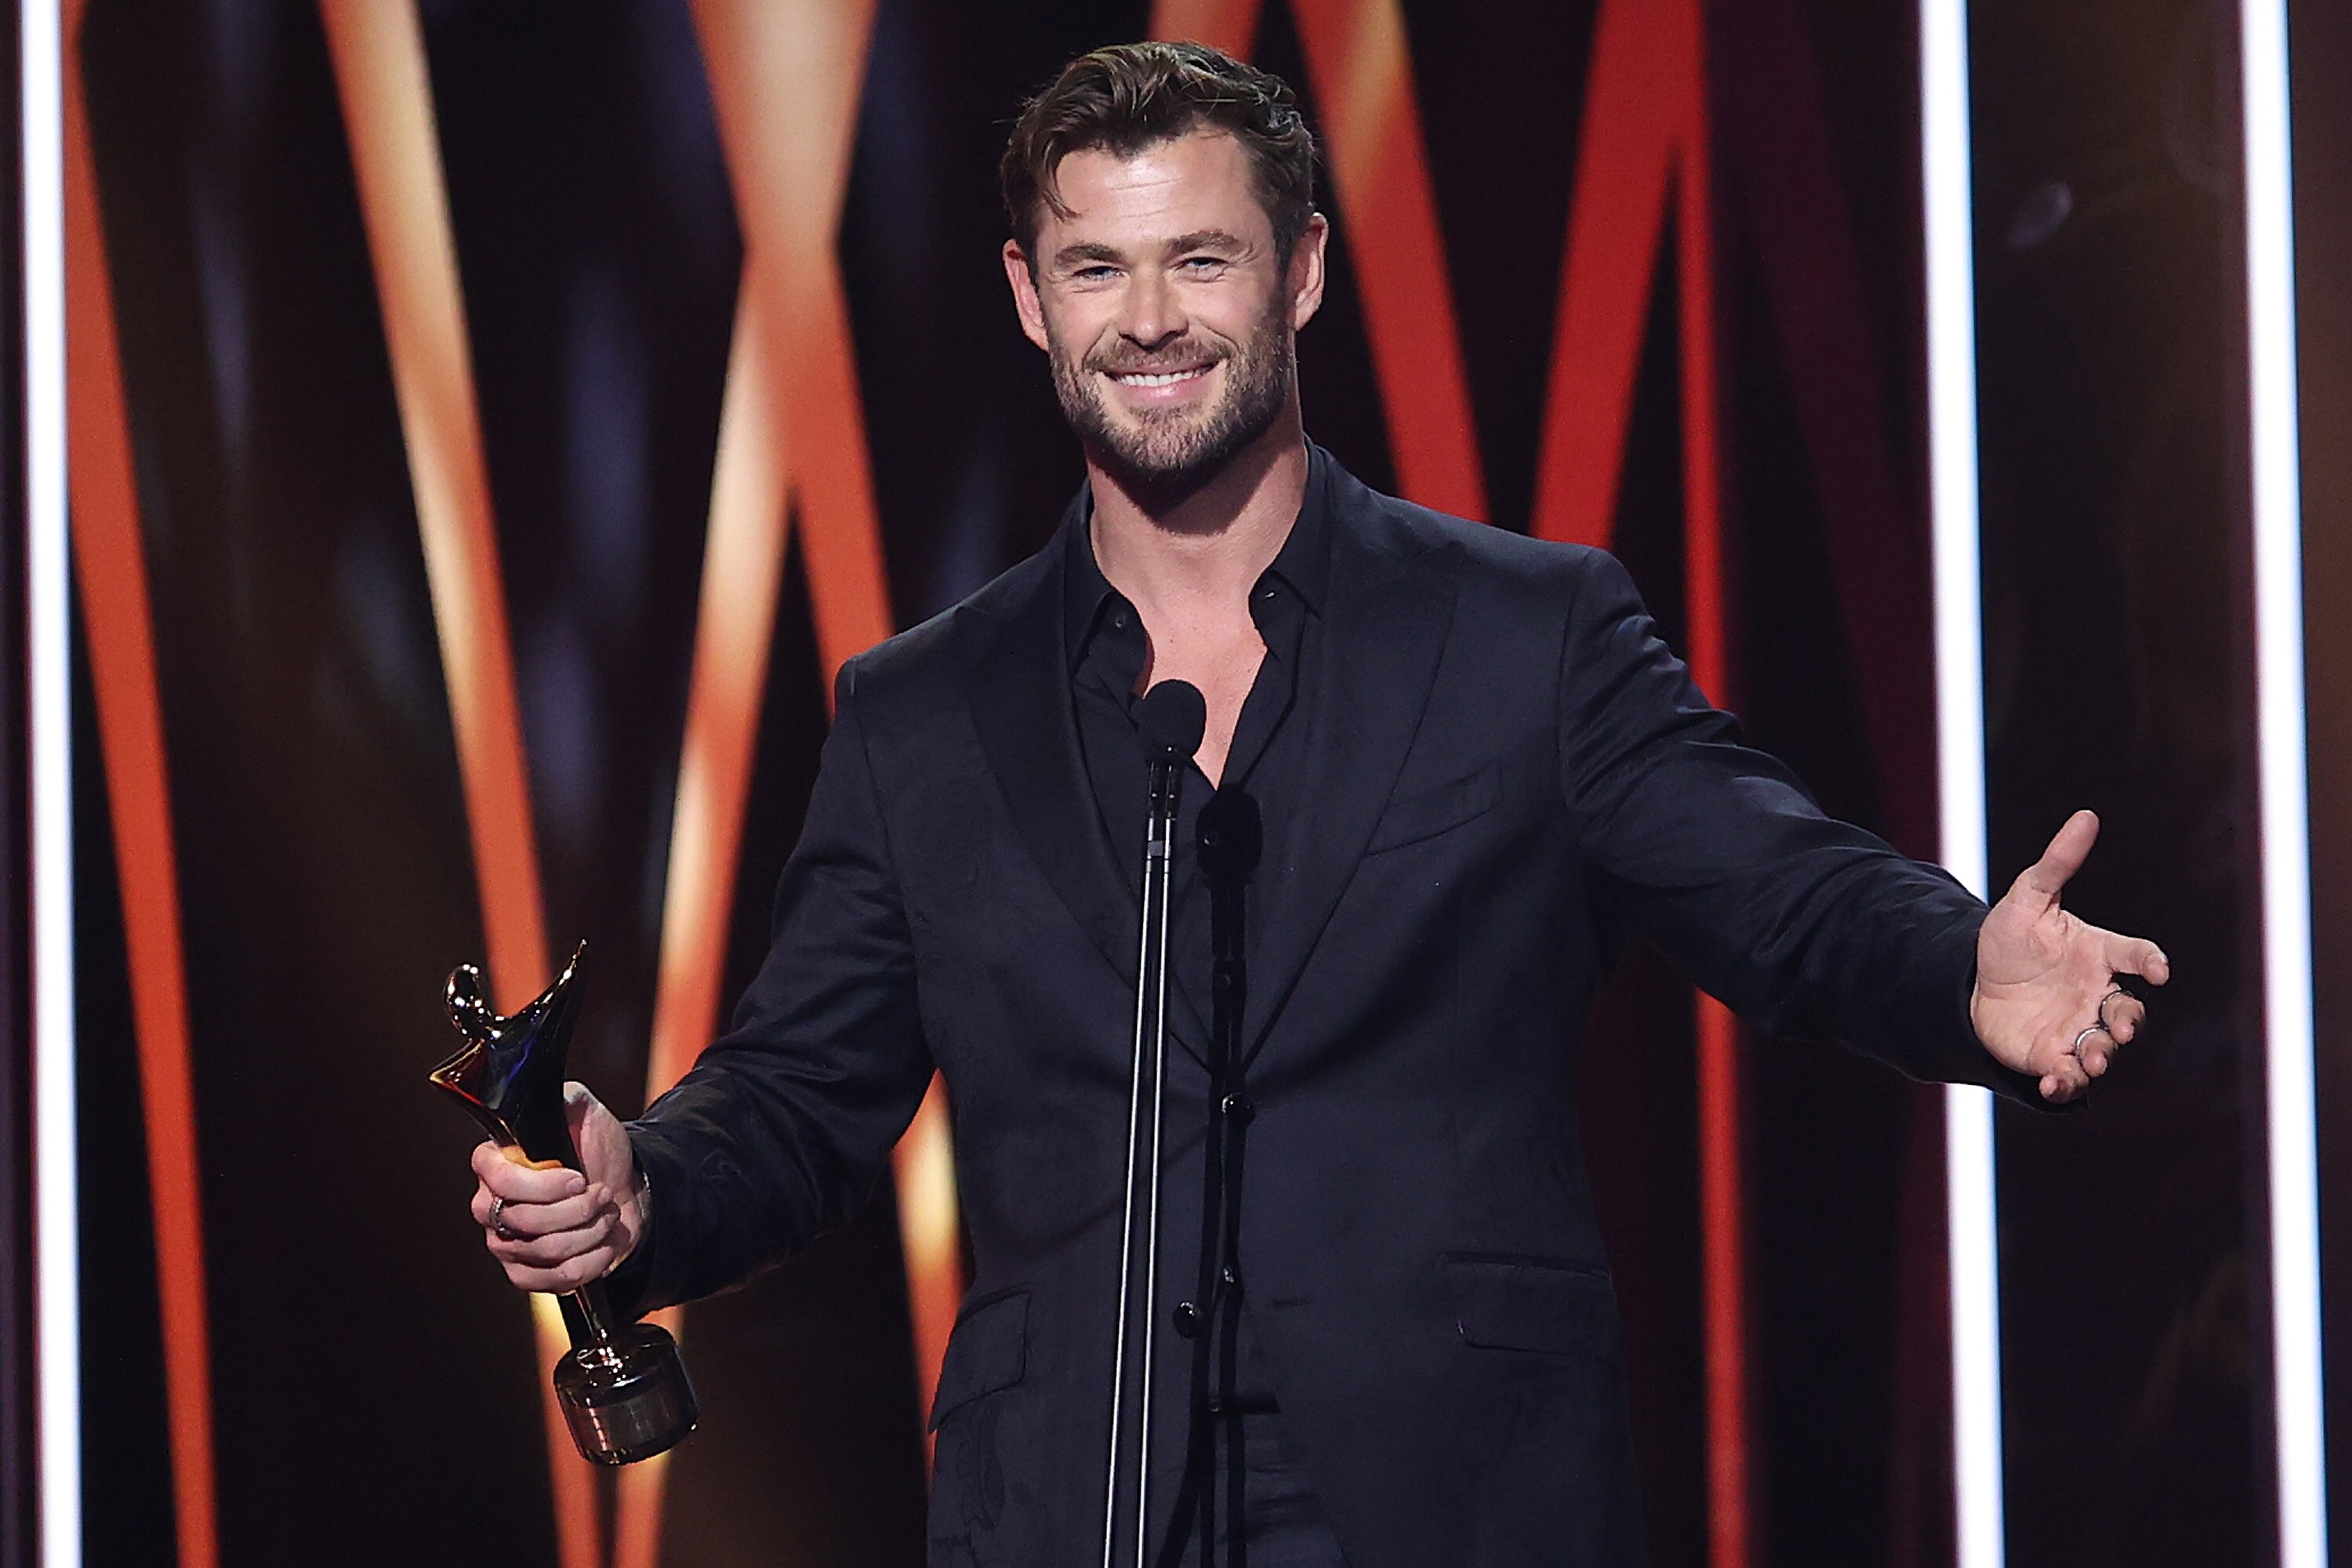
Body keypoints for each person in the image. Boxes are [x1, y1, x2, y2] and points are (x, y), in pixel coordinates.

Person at [467, 41, 2166, 1567]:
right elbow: (800, 1094)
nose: (1147, 319)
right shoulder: (922, 711)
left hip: (1461, 1498)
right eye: (1096, 268)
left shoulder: (1525, 634)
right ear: (1025, 294)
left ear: (1301, 273)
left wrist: (1963, 973)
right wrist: (645, 1184)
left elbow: (1780, 891)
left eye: (1200, 258)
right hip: (1074, 1505)